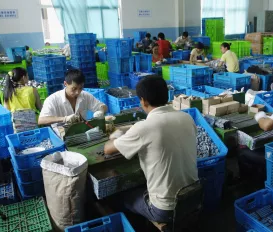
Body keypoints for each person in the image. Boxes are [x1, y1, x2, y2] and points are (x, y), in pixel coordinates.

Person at [103, 76, 198, 226]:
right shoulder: (186, 117)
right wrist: (133, 129)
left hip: (166, 209)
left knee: (120, 196)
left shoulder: (144, 128)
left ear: (143, 101)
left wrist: (115, 135)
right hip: (193, 196)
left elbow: (108, 149)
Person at [38, 69, 108, 125]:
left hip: (82, 130)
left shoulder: (85, 95)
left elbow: (103, 106)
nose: (77, 92)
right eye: (74, 89)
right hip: (61, 134)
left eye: (80, 88)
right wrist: (64, 119)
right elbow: (41, 120)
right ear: (65, 84)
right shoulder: (52, 100)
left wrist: (101, 110)